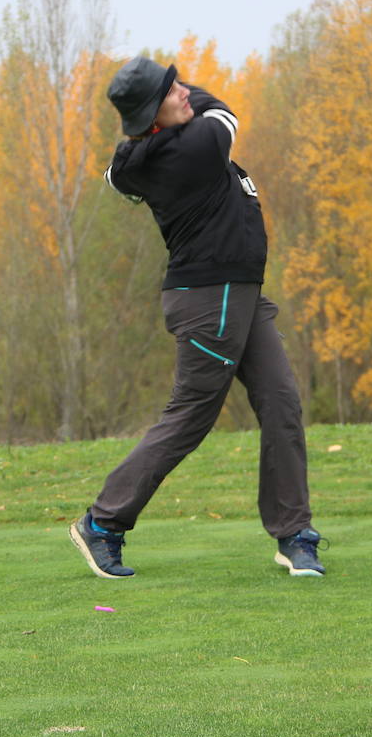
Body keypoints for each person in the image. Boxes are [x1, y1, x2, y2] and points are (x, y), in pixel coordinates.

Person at [68, 56, 324, 578]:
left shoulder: (146, 154)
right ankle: (103, 522)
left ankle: (294, 533)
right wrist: (170, 112)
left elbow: (118, 171)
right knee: (190, 416)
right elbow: (222, 112)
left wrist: (158, 110)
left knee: (281, 402)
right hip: (212, 299)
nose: (185, 91)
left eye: (179, 83)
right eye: (171, 91)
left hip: (237, 292)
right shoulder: (197, 146)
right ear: (152, 117)